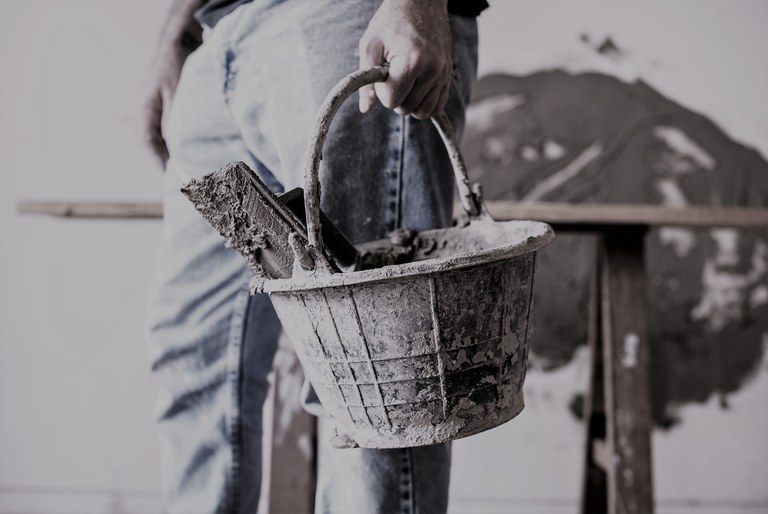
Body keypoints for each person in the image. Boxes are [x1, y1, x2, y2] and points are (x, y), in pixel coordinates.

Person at [144, 0, 487, 512]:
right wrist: (177, 31)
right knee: (196, 363)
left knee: (379, 384)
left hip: (346, 21)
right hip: (218, 34)